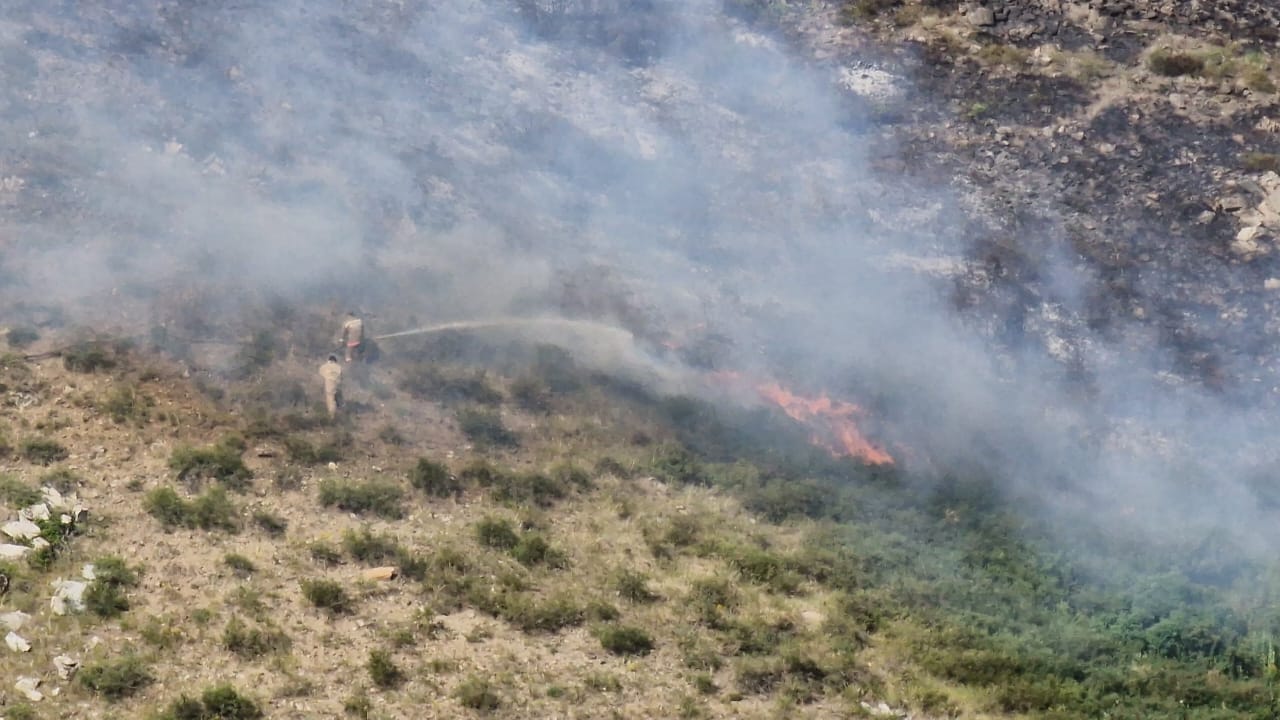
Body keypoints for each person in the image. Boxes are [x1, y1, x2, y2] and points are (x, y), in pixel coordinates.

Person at [318, 355, 343, 419]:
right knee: (335, 398)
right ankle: (337, 412)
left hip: (328, 383)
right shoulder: (338, 367)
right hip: (336, 384)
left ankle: (331, 416)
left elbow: (321, 372)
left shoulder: (324, 366)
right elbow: (340, 375)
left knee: (330, 398)